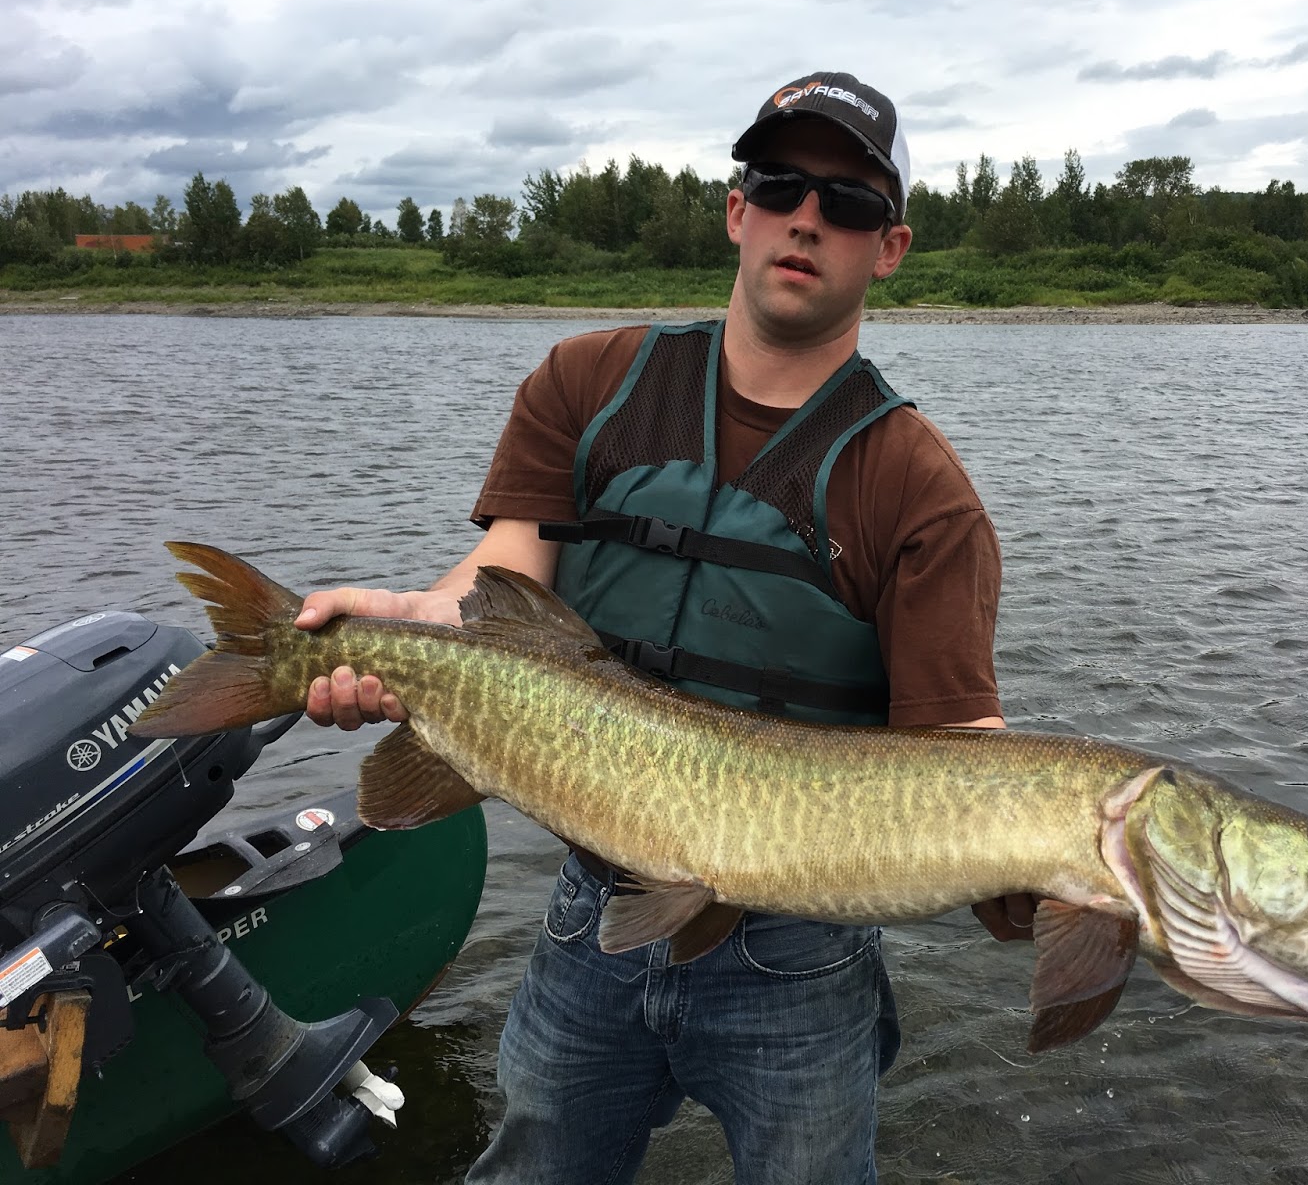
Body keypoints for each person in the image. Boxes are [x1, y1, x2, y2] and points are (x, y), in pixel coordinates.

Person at [295, 70, 1033, 1184]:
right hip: (592, 914)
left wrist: (1055, 854)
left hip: (800, 958)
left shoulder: (920, 488)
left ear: (889, 248)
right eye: (779, 185)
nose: (806, 218)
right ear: (737, 210)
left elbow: (957, 751)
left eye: (847, 203)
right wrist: (403, 624)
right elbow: (502, 582)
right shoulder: (589, 381)